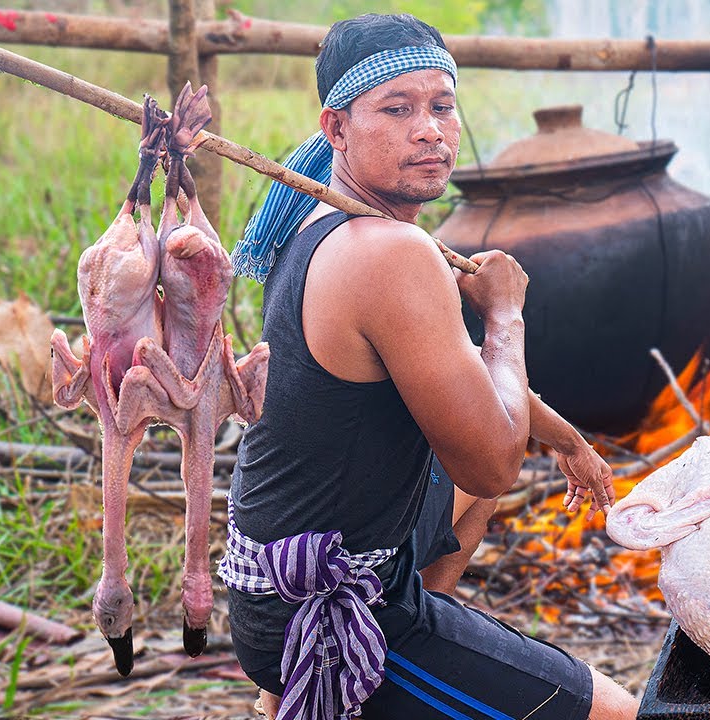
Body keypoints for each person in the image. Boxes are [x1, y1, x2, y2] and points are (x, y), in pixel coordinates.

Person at [221, 13, 640, 720]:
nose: (430, 130)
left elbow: (460, 378)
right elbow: (493, 465)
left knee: (459, 487)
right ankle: (402, 662)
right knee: (622, 716)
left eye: (441, 106)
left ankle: (431, 672)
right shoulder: (391, 254)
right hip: (329, 612)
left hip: (274, 570)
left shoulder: (318, 217)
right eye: (398, 109)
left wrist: (569, 441)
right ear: (336, 128)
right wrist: (506, 313)